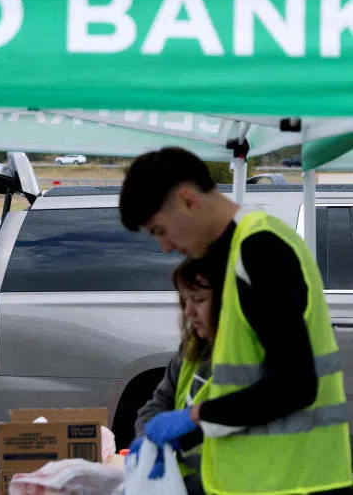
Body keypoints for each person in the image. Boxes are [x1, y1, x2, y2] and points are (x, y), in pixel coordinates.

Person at [120, 147, 352, 495]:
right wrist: (182, 436)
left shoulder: (259, 250)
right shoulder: (229, 258)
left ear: (187, 201)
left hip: (294, 483)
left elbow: (296, 385)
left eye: (160, 230)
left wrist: (194, 417)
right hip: (261, 481)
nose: (165, 247)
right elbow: (245, 382)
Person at [133, 259, 215, 495]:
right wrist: (146, 441)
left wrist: (188, 429)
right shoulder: (192, 350)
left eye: (198, 300)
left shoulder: (246, 359)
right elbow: (158, 403)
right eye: (185, 300)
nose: (188, 311)